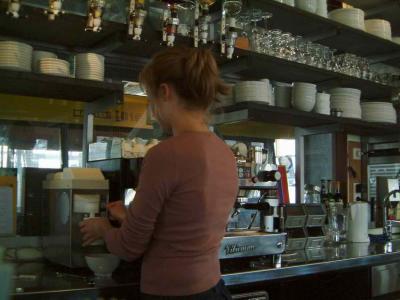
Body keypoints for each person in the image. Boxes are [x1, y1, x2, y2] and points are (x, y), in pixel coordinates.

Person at [80, 47, 238, 299]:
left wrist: (102, 228)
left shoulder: (164, 154)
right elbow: (183, 224)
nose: (152, 110)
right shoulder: (225, 153)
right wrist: (129, 218)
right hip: (213, 288)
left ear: (165, 93)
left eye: (150, 99)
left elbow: (129, 247)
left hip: (172, 293)